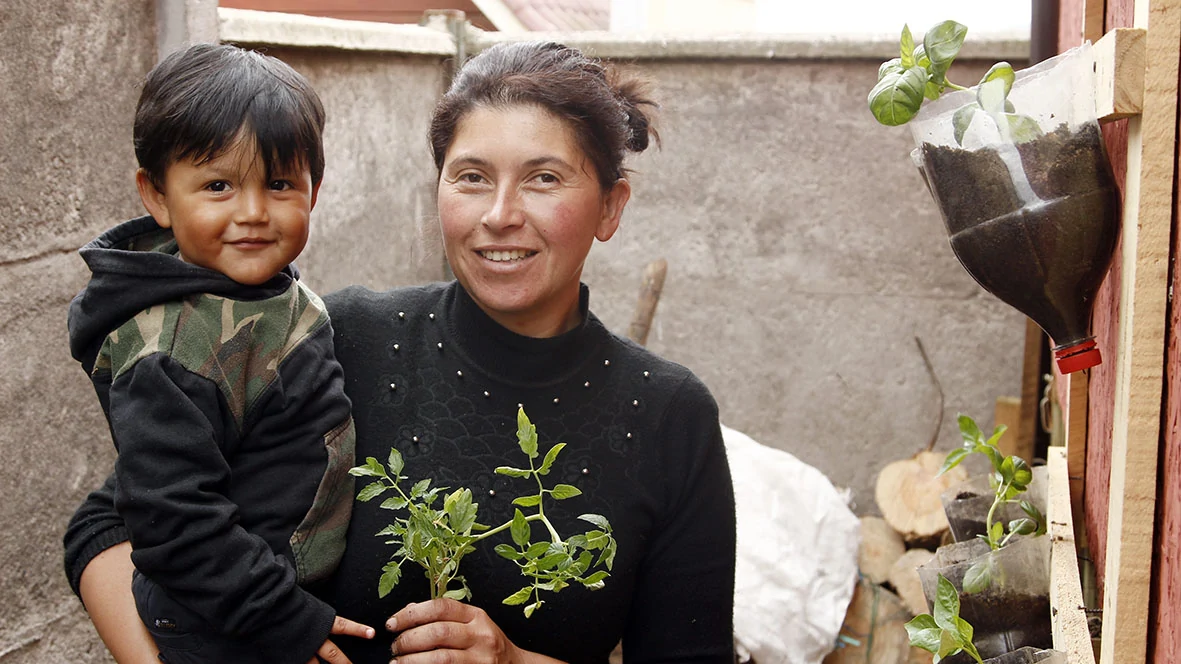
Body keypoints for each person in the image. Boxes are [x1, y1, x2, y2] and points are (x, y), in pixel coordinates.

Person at [65, 40, 737, 664]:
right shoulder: (338, 337)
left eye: (542, 178)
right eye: (471, 176)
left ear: (610, 207)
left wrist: (516, 661)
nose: (499, 214)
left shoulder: (667, 416)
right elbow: (109, 524)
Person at [63, 43, 373, 663]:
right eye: (218, 185)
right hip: (222, 618)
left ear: (314, 191)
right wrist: (282, 619)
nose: (253, 213)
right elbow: (173, 521)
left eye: (280, 183)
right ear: (156, 196)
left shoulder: (253, 290)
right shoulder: (171, 351)